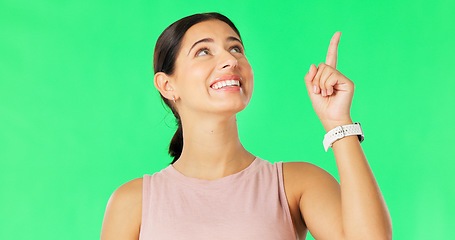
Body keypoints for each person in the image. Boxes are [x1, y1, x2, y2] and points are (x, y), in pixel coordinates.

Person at [100, 12, 392, 240]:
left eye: (236, 48)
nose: (230, 59)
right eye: (204, 51)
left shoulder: (297, 184)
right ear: (167, 85)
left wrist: (337, 121)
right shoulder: (132, 202)